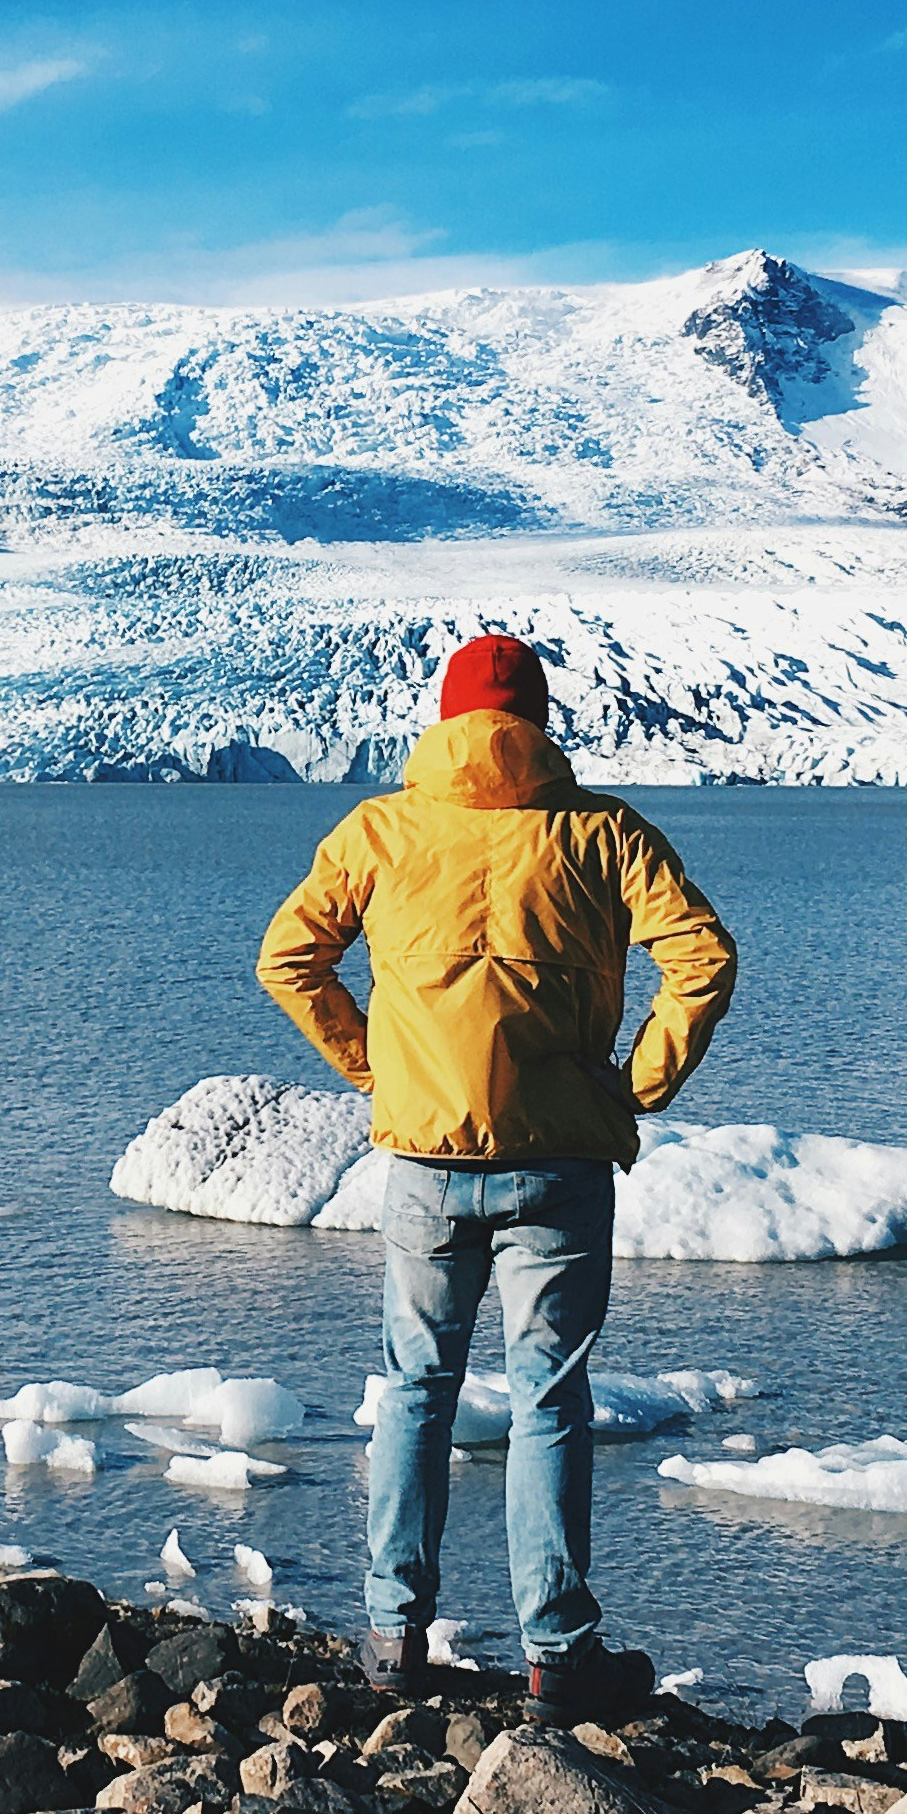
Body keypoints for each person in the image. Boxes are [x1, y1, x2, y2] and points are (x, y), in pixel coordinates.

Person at [256, 631, 737, 1710]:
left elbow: (288, 957)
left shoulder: (378, 829)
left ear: (446, 720)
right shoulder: (600, 832)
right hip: (561, 1160)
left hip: (426, 1163)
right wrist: (637, 1084)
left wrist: (378, 1067)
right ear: (539, 719)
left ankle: (391, 1639)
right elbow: (703, 955)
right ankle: (559, 1653)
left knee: (416, 1389)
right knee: (550, 1395)